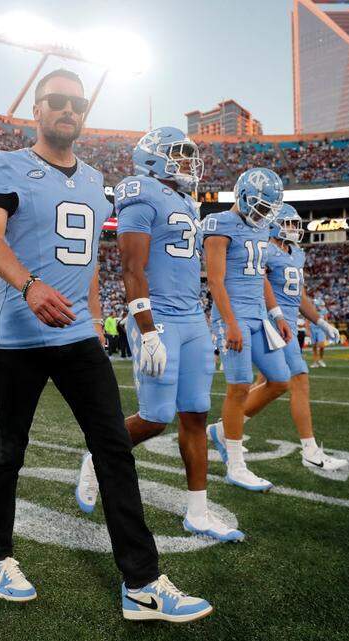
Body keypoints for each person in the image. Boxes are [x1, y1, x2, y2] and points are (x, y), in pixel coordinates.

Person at [0, 68, 210, 622]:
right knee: (8, 451)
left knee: (113, 448)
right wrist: (28, 287)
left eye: (77, 103)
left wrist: (103, 322)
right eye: (56, 101)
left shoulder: (96, 179)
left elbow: (87, 266)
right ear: (37, 110)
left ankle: (143, 583)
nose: (68, 111)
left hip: (79, 335)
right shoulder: (7, 163)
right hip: (20, 334)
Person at [75, 126, 241, 541]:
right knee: (156, 417)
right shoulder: (140, 190)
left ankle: (198, 513)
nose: (188, 163)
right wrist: (147, 330)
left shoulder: (187, 200)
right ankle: (97, 456)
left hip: (193, 318)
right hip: (160, 317)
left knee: (197, 415)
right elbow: (131, 267)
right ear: (154, 158)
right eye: (179, 155)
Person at [208, 204, 348, 473]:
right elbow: (253, 282)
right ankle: (309, 450)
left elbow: (299, 295)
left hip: (285, 323)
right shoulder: (266, 250)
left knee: (272, 382)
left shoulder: (296, 253)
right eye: (289, 223)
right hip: (269, 322)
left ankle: (224, 429)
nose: (294, 229)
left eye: (296, 224)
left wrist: (318, 320)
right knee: (297, 379)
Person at [203, 168, 294, 492]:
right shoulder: (219, 223)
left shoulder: (263, 227)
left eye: (266, 208)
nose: (261, 214)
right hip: (233, 315)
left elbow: (262, 276)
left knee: (280, 380)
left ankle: (224, 431)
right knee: (239, 387)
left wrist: (277, 314)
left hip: (259, 315)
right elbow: (214, 280)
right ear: (241, 196)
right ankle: (236, 464)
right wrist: (229, 323)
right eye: (257, 206)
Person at [309, 297, 332, 368]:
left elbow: (326, 320)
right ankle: (315, 362)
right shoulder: (311, 310)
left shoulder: (324, 310)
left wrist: (327, 330)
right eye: (320, 305)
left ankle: (321, 359)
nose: (321, 307)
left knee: (321, 345)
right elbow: (307, 320)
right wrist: (307, 330)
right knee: (314, 346)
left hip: (321, 329)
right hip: (313, 328)